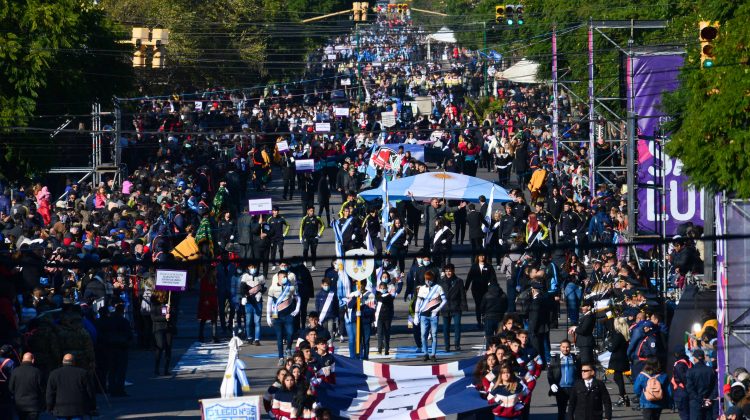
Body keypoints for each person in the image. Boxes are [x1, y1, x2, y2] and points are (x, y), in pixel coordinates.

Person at [46, 354, 97, 419]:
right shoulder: (83, 373)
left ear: (63, 361)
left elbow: (50, 393)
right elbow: (90, 392)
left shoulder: (54, 374)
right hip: (78, 409)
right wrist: (92, 407)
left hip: (60, 409)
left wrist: (49, 407)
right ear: (74, 362)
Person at [267, 270, 301, 366]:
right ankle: (281, 357)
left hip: (288, 315)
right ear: (278, 278)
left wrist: (297, 309)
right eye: (283, 276)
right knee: (279, 337)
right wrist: (269, 317)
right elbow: (269, 303)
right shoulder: (272, 288)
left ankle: (288, 348)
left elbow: (298, 298)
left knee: (290, 333)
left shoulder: (291, 287)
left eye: (286, 276)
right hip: (277, 316)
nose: (285, 278)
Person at [414, 271, 446, 362]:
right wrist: (416, 315)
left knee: (434, 335)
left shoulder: (438, 288)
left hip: (434, 315)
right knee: (423, 334)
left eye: (430, 279)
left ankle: (433, 354)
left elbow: (444, 300)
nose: (428, 281)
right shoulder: (422, 288)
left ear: (433, 279)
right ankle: (425, 353)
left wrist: (437, 309)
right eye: (426, 279)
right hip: (424, 315)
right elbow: (418, 302)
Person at [101, 303, 133, 396]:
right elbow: (129, 334)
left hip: (110, 347)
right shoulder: (124, 321)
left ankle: (112, 388)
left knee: (112, 370)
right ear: (122, 311)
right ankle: (120, 389)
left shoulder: (109, 321)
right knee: (121, 370)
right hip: (121, 347)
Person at [548, 339, 580, 420]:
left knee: (574, 411)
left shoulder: (576, 359)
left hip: (573, 388)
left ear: (570, 348)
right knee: (561, 412)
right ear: (560, 348)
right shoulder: (555, 359)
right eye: (563, 347)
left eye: (567, 347)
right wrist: (552, 384)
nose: (565, 349)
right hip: (561, 389)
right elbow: (550, 374)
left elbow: (580, 373)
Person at [439, 263, 468, 352]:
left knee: (457, 327)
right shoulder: (441, 281)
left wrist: (464, 306)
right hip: (445, 307)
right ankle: (447, 346)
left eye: (450, 271)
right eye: (447, 271)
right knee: (445, 328)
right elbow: (438, 295)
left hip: (456, 307)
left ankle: (457, 345)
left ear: (453, 271)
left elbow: (462, 295)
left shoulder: (459, 281)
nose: (448, 273)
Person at [465, 253, 498, 329]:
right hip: (476, 289)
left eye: (483, 255)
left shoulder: (489, 266)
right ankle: (478, 321)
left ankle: (484, 318)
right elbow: (469, 278)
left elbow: (493, 278)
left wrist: (494, 287)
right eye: (480, 256)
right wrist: (466, 288)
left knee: (486, 304)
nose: (482, 257)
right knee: (478, 304)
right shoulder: (474, 266)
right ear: (478, 257)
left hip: (486, 289)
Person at [8, 353, 44, 420]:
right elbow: (42, 389)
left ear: (22, 360)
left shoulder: (15, 371)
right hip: (34, 405)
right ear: (32, 360)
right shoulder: (37, 372)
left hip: (20, 405)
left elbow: (10, 388)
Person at [607, 317, 631, 408]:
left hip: (617, 359)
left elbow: (612, 348)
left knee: (618, 378)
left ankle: (623, 396)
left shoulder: (618, 335)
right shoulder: (624, 334)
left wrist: (608, 344)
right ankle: (624, 396)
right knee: (618, 377)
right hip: (622, 358)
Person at [686, 349, 716, 420]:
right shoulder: (710, 370)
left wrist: (700, 399)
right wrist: (709, 398)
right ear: (704, 358)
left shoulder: (690, 371)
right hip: (708, 403)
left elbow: (690, 389)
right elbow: (715, 387)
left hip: (695, 403)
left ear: (695, 359)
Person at [240, 262, 266, 345]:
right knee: (248, 321)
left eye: (254, 267)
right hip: (249, 302)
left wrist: (260, 293)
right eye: (251, 267)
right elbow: (242, 288)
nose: (253, 269)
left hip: (258, 302)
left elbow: (263, 287)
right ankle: (249, 337)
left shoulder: (261, 276)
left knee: (257, 321)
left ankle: (257, 339)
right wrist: (244, 296)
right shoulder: (245, 276)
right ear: (248, 267)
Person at [151, 290, 174, 376]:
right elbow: (153, 318)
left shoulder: (167, 302)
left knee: (168, 348)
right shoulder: (154, 303)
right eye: (164, 294)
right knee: (160, 346)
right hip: (158, 328)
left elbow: (173, 315)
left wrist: (170, 310)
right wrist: (164, 317)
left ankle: (166, 369)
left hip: (168, 328)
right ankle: (156, 368)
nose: (165, 296)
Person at [375, 272, 397, 355]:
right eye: (381, 288)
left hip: (387, 316)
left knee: (386, 333)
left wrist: (382, 295)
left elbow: (384, 300)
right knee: (379, 333)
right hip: (380, 317)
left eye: (384, 288)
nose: (382, 289)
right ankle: (379, 348)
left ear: (386, 288)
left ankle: (387, 349)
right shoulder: (378, 295)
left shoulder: (389, 296)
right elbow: (378, 299)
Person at [568, 299, 596, 364]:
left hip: (586, 343)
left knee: (586, 363)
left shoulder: (589, 317)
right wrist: (574, 328)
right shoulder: (587, 316)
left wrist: (575, 328)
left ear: (589, 307)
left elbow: (583, 330)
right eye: (582, 306)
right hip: (583, 342)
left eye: (584, 306)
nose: (582, 308)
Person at [299, 206, 325, 270]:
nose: (312, 212)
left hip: (314, 238)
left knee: (313, 251)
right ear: (308, 211)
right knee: (305, 249)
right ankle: (305, 262)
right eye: (311, 211)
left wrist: (319, 234)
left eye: (313, 211)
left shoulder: (317, 218)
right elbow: (301, 228)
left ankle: (313, 266)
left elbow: (323, 226)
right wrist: (300, 237)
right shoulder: (304, 218)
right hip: (306, 237)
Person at [671, 345, 693, 420]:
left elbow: (683, 378)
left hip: (682, 391)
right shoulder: (689, 362)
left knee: (684, 415)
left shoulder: (679, 365)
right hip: (690, 391)